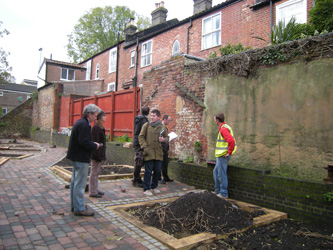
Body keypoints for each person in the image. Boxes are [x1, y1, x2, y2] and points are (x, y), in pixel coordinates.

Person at [66, 104, 101, 216]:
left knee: (74, 183)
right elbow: (83, 142)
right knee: (79, 184)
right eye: (95, 115)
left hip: (76, 157)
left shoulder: (79, 122)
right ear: (89, 114)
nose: (95, 118)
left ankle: (75, 206)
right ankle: (79, 208)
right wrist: (94, 145)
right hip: (80, 158)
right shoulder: (84, 125)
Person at [139, 109, 169, 196]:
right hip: (149, 152)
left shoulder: (162, 127)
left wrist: (163, 140)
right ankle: (146, 188)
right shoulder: (146, 125)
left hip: (159, 153)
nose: (151, 117)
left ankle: (154, 187)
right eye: (151, 115)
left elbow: (167, 137)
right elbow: (141, 137)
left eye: (154, 116)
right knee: (148, 171)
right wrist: (144, 147)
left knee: (157, 171)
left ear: (158, 117)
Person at [213, 113, 237, 198]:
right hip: (221, 155)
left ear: (217, 120)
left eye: (215, 119)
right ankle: (217, 191)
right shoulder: (225, 127)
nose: (214, 121)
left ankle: (223, 193)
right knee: (216, 172)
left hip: (223, 156)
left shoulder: (223, 129)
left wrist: (229, 153)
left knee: (221, 174)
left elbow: (231, 141)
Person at [89, 110, 106, 198]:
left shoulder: (101, 127)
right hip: (96, 154)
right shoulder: (96, 127)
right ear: (100, 117)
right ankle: (92, 191)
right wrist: (97, 155)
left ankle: (95, 189)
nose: (105, 117)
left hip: (100, 153)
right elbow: (95, 142)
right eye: (104, 116)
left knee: (97, 172)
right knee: (94, 172)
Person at [132, 106, 150, 188]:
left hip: (136, 141)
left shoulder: (137, 118)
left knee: (138, 160)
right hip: (139, 142)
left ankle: (137, 178)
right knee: (139, 161)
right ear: (148, 113)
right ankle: (136, 179)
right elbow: (144, 133)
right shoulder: (144, 120)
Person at [159, 115, 173, 184]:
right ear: (165, 119)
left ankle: (165, 177)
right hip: (162, 148)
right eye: (168, 120)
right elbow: (160, 136)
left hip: (165, 147)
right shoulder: (161, 126)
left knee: (165, 163)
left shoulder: (164, 126)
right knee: (161, 163)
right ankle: (159, 178)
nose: (169, 122)